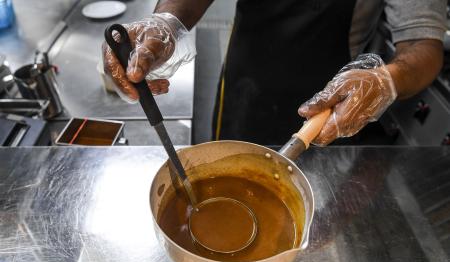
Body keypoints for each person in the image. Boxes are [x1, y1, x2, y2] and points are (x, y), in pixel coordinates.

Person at [102, 0, 446, 146]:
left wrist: (387, 80)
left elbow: (423, 45)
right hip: (244, 89)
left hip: (336, 110)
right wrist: (165, 22)